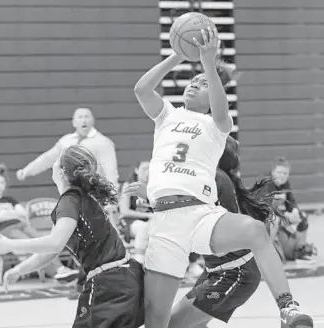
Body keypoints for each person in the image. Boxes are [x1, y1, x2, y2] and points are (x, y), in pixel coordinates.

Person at [134, 26, 313, 328]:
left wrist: (207, 63)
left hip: (200, 214)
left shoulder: (217, 126)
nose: (193, 86)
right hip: (165, 222)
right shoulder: (167, 115)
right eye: (191, 82)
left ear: (213, 93)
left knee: (256, 231)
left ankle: (287, 308)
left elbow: (220, 108)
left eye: (202, 85)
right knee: (157, 324)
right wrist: (176, 56)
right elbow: (141, 89)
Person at [0, 145, 144, 328]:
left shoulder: (69, 201)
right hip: (126, 277)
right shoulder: (81, 199)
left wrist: (10, 245)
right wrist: (19, 270)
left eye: (56, 160)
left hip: (109, 285)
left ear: (62, 171)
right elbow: (51, 250)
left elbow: (55, 243)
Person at [124, 136, 275, 327]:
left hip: (234, 272)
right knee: (192, 325)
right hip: (218, 270)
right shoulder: (215, 177)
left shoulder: (215, 177)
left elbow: (186, 214)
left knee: (171, 325)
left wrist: (152, 196)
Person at [0, 162, 78, 282]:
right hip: (4, 230)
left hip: (22, 225)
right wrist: (11, 212)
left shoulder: (10, 199)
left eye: (2, 183)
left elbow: (23, 214)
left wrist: (3, 214)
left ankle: (60, 270)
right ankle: (58, 270)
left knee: (42, 239)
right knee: (29, 243)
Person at [16, 107, 119, 188]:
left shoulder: (103, 142)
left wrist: (111, 197)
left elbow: (111, 171)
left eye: (87, 117)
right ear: (74, 122)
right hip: (70, 191)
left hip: (93, 191)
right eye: (80, 117)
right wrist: (27, 171)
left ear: (93, 121)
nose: (84, 120)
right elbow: (47, 158)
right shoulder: (66, 141)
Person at [262, 157, 316, 264]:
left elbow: (291, 201)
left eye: (286, 173)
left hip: (279, 217)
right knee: (275, 220)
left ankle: (300, 249)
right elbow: (266, 208)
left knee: (302, 217)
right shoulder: (266, 185)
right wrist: (285, 215)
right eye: (280, 172)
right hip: (264, 219)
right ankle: (267, 251)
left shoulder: (285, 185)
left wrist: (295, 211)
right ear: (272, 172)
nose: (283, 176)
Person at [119, 161, 152, 264]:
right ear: (136, 170)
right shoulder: (129, 185)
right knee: (143, 227)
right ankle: (138, 261)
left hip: (151, 224)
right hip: (131, 224)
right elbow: (124, 211)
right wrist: (148, 215)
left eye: (149, 169)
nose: (147, 173)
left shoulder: (153, 187)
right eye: (144, 169)